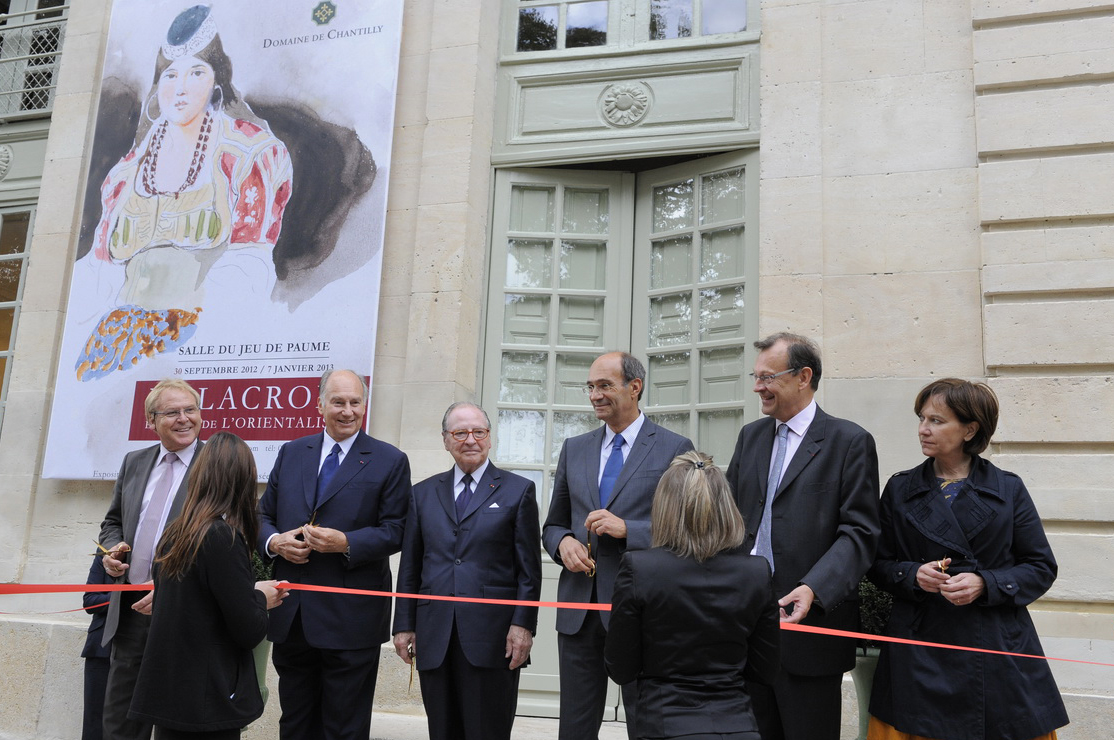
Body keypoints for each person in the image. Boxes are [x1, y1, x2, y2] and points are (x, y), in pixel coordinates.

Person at [77, 4, 292, 380]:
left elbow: (250, 267)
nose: (180, 87)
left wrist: (186, 344)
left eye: (196, 73)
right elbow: (98, 273)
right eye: (170, 75)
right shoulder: (125, 173)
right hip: (117, 340)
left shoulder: (250, 153)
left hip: (199, 340)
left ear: (216, 83)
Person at [866, 379, 1068, 740]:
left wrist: (985, 583)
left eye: (937, 421)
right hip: (919, 648)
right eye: (922, 418)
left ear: (969, 429)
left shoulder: (1007, 488)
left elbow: (1040, 567)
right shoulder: (900, 488)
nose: (923, 429)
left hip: (995, 646)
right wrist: (912, 575)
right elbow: (877, 564)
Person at [725, 332, 880, 740]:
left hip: (808, 633)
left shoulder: (849, 442)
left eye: (767, 377)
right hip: (743, 627)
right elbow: (725, 521)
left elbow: (860, 533)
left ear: (803, 376)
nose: (758, 386)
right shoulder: (750, 437)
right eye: (755, 377)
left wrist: (814, 587)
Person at [542, 351, 694, 740]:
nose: (594, 395)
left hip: (644, 608)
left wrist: (631, 530)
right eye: (590, 387)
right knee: (575, 726)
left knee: (646, 722)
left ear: (635, 387)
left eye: (604, 385)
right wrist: (563, 545)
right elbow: (554, 524)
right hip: (580, 609)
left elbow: (688, 529)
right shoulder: (574, 448)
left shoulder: (675, 447)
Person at [258, 369, 411, 740]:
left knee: (344, 727)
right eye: (338, 402)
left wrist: (346, 542)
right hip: (291, 614)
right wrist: (274, 541)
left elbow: (396, 531)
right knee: (295, 723)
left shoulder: (390, 460)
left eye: (355, 402)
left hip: (350, 620)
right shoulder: (292, 452)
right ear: (320, 404)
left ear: (364, 405)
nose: (347, 411)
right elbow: (263, 515)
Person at [392, 402, 542, 740]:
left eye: (479, 432)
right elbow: (411, 565)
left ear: (490, 438)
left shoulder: (518, 491)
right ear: (446, 440)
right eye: (460, 433)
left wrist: (523, 626)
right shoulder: (422, 494)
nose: (470, 439)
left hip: (493, 638)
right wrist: (403, 625)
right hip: (435, 635)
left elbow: (529, 571)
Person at [606, 451, 780, 740]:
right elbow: (765, 670)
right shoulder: (756, 572)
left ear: (663, 508)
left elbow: (621, 668)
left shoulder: (641, 569)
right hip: (737, 725)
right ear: (727, 508)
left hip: (664, 724)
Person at [128, 432, 287, 739]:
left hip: (174, 698)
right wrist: (260, 596)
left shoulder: (178, 532)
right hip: (205, 702)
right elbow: (248, 629)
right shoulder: (222, 537)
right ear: (243, 480)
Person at [99, 378, 205, 740]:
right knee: (121, 721)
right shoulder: (135, 462)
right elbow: (113, 521)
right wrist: (112, 550)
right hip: (130, 609)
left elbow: (229, 539)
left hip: (184, 614)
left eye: (190, 410)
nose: (183, 419)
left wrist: (174, 587)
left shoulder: (216, 464)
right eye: (172, 412)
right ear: (151, 420)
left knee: (177, 723)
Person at [82, 556, 115, 740]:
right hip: (101, 648)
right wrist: (123, 596)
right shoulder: (106, 553)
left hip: (143, 648)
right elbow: (90, 601)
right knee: (95, 721)